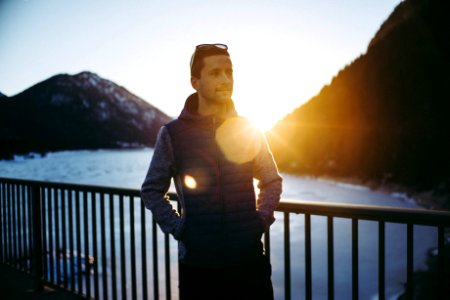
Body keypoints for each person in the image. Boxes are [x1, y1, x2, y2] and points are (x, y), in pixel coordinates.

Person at [141, 43, 282, 300]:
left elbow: (271, 180)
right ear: (195, 82)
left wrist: (261, 219)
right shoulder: (173, 134)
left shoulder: (248, 128)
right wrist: (179, 228)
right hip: (199, 268)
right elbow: (151, 189)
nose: (226, 79)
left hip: (249, 264)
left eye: (229, 72)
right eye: (215, 73)